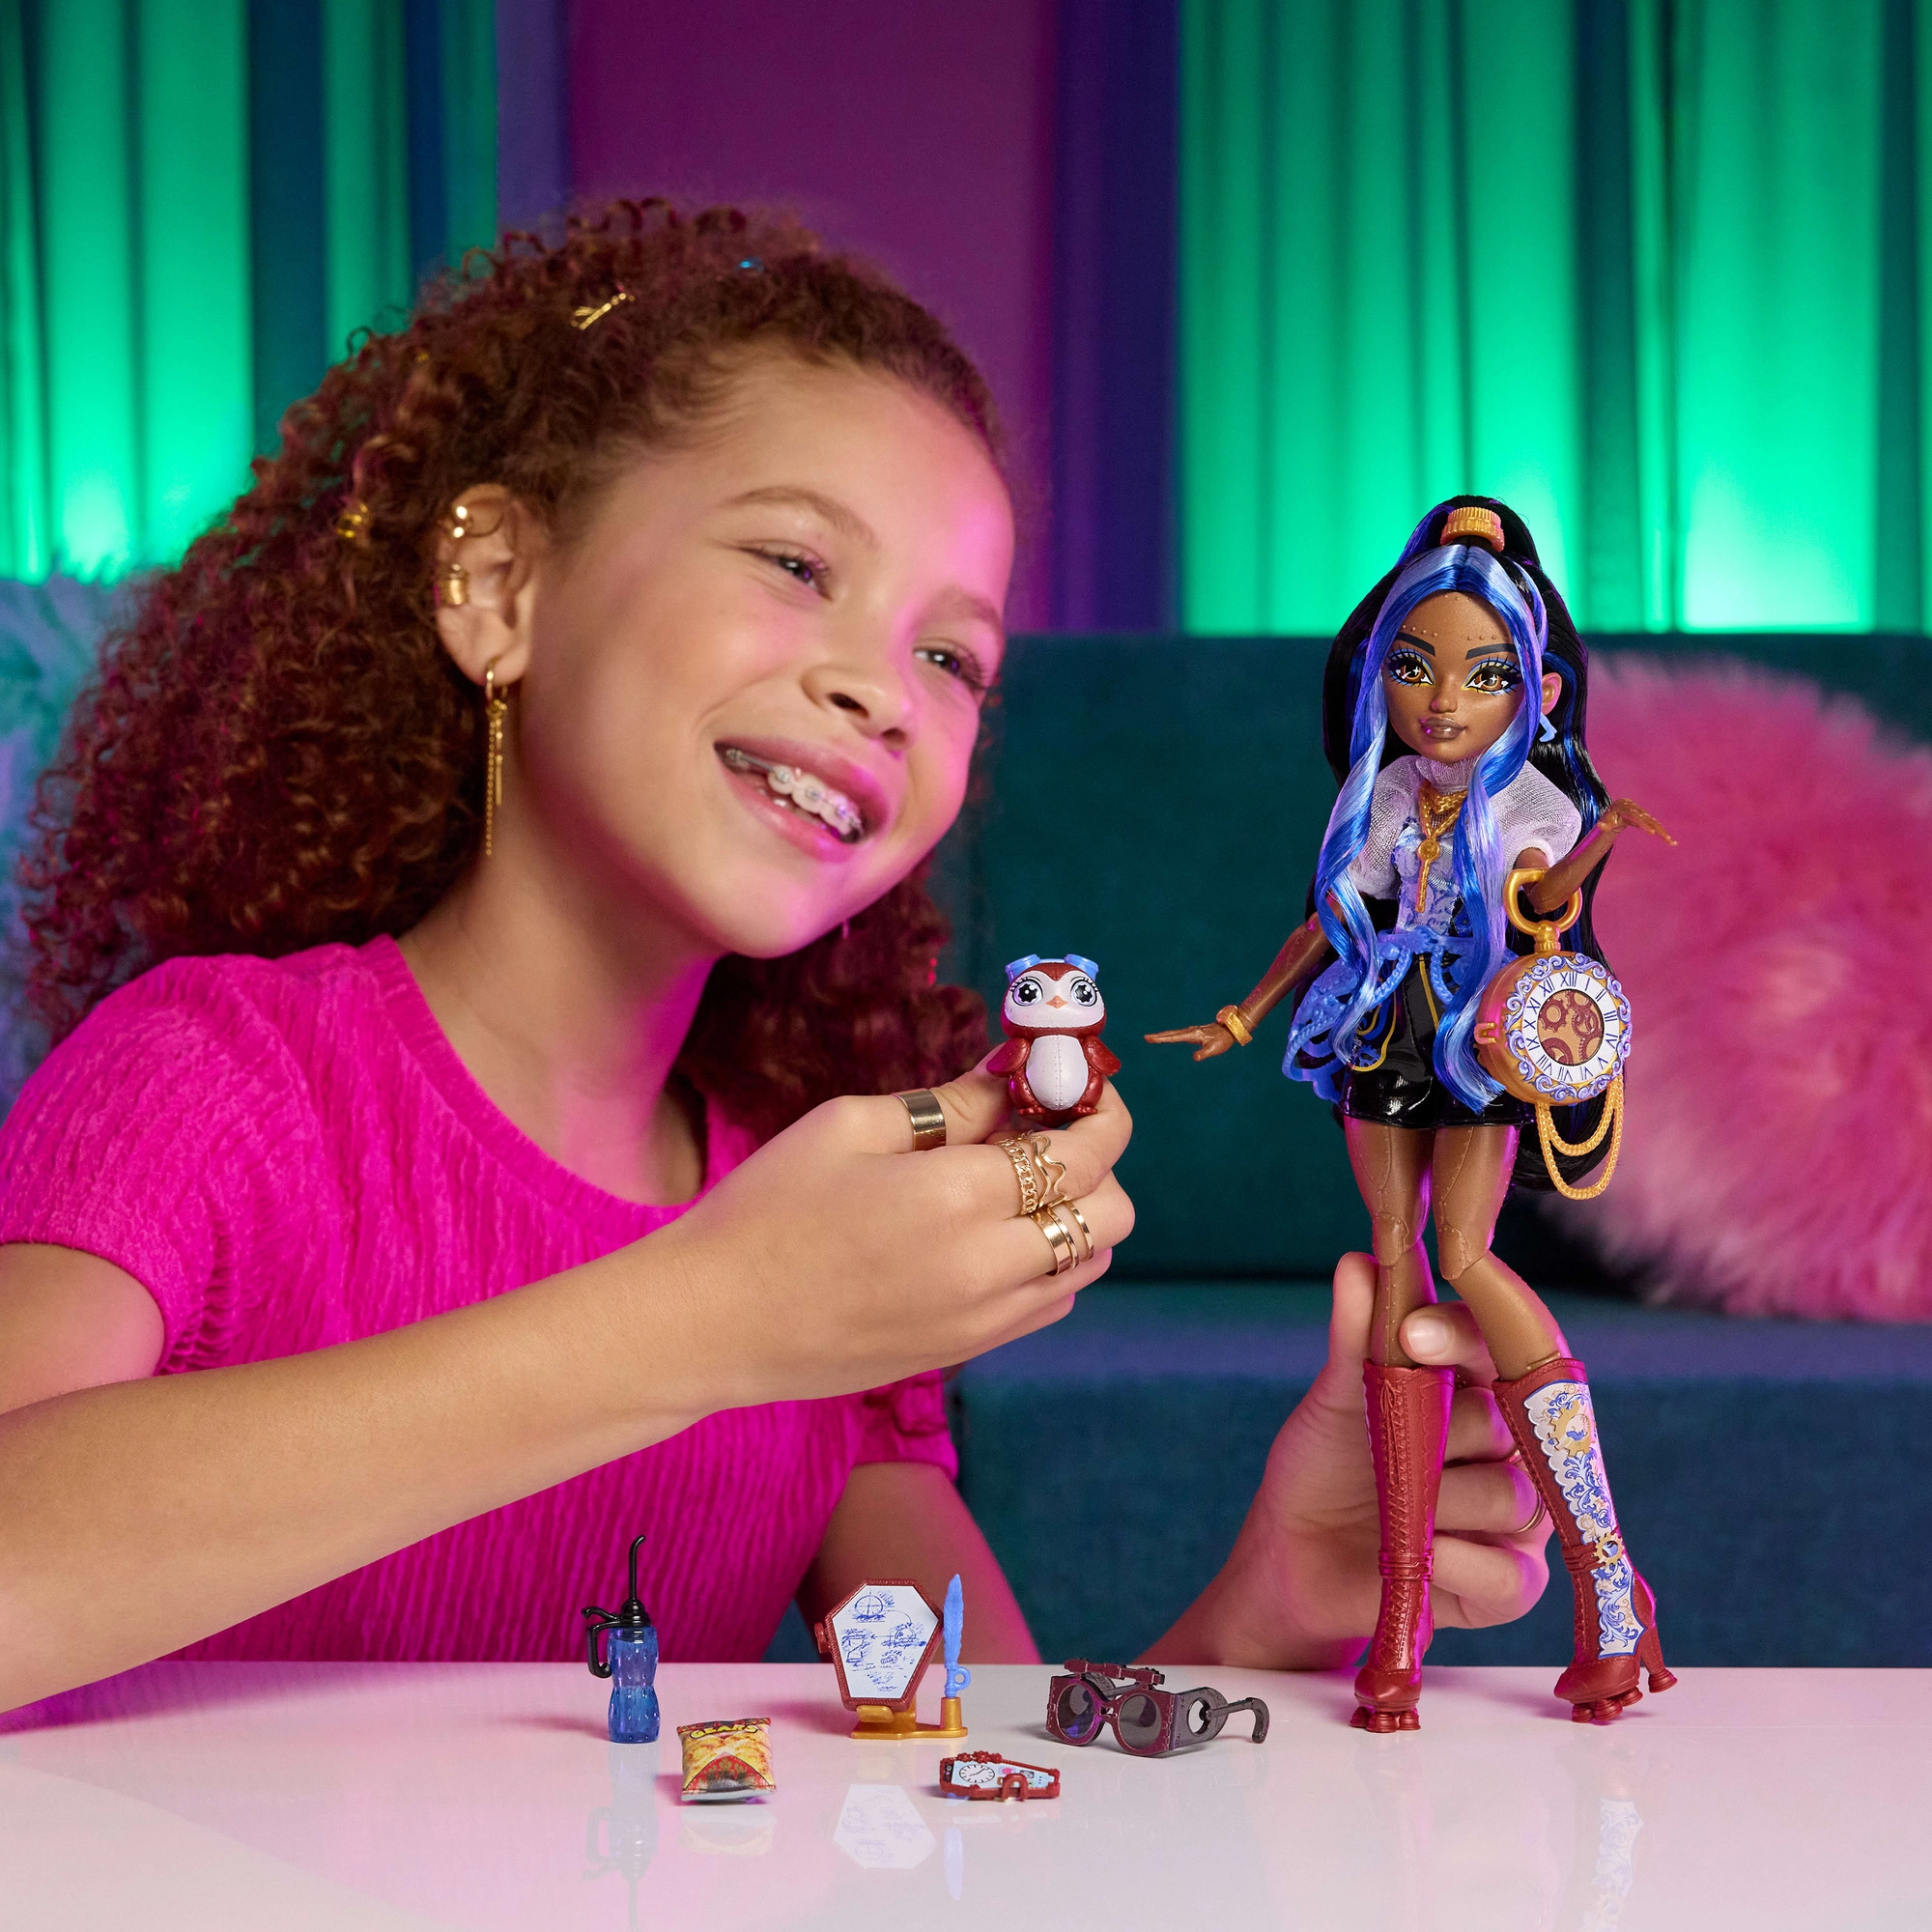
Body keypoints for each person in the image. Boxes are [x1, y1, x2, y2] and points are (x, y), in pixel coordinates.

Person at [0, 207, 1545, 1716]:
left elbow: (987, 1781)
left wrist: (1265, 1613)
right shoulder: (205, 1079)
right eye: (798, 565)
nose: (882, 691)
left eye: (950, 658)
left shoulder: (825, 1249)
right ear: (500, 587)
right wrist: (711, 1319)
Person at [1151, 499, 1677, 1729]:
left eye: (1482, 675)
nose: (1442, 700)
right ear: (1376, 675)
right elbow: (1328, 917)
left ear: (1536, 692)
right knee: (1394, 1266)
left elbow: (1537, 897)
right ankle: (1397, 1611)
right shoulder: (1385, 793)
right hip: (1378, 1032)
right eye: (1412, 666)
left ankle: (1609, 1580)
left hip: (1471, 1038)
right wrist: (1243, 1011)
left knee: (1463, 1256)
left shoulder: (1531, 804)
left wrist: (1594, 840)